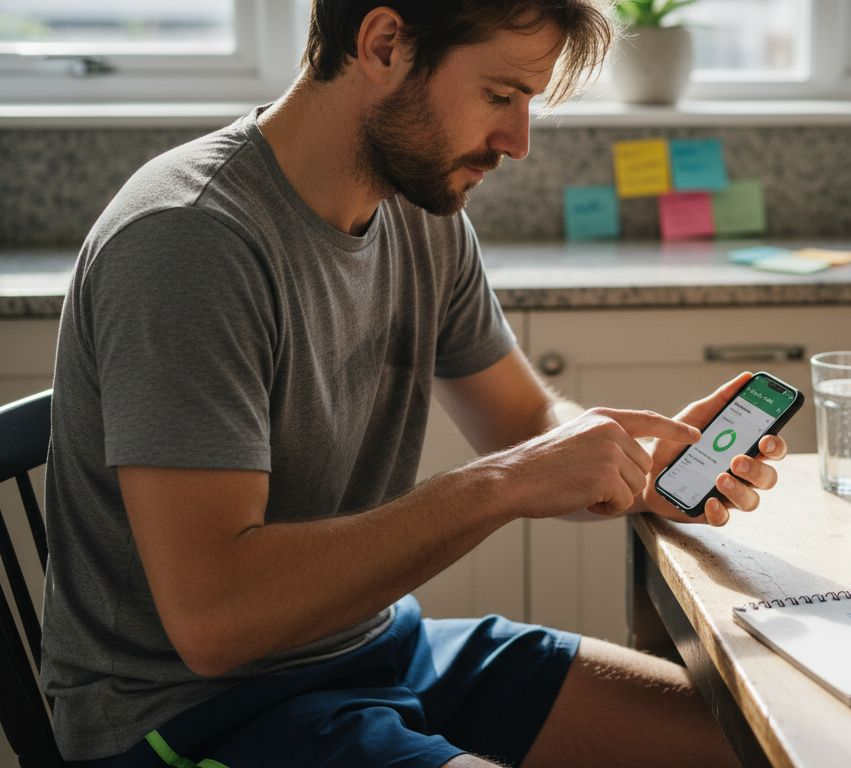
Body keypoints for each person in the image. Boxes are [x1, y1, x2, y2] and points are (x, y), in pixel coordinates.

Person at [40, 2, 788, 766]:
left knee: (755, 745)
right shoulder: (189, 242)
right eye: (501, 96)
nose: (518, 143)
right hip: (200, 715)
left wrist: (628, 462)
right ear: (385, 43)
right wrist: (500, 485)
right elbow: (216, 621)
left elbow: (525, 420)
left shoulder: (420, 208)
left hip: (379, 647)